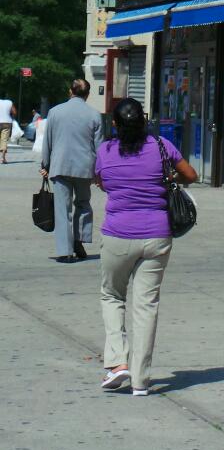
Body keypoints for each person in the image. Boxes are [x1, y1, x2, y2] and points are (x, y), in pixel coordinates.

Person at [95, 98, 197, 395]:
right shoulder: (162, 146)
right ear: (144, 120)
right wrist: (167, 177)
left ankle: (117, 363)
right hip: (157, 236)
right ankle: (140, 379)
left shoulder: (106, 151)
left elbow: (101, 182)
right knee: (146, 305)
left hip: (117, 234)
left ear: (114, 124)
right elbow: (191, 175)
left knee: (112, 295)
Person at [40, 78, 103, 262]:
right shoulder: (94, 115)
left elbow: (48, 141)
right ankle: (79, 239)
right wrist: (99, 171)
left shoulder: (55, 112)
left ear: (70, 91)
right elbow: (99, 146)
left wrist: (45, 165)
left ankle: (65, 251)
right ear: (88, 94)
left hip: (60, 166)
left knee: (63, 209)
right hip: (84, 167)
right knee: (83, 204)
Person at [0, 96, 18, 164]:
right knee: (4, 140)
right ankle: (2, 158)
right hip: (7, 122)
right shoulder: (10, 102)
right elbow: (14, 112)